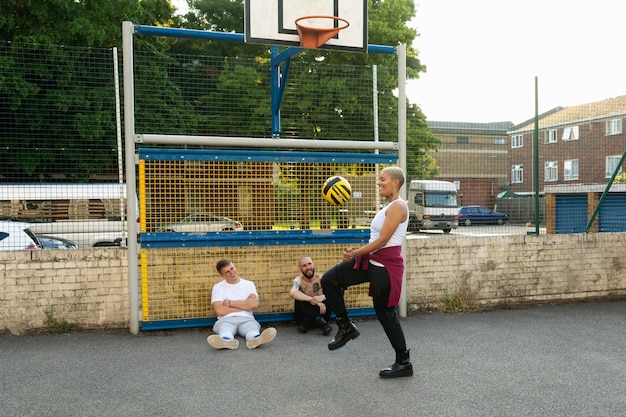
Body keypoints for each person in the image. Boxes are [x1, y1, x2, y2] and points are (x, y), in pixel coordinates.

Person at [321, 166, 413, 379]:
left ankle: (403, 362)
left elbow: (383, 241)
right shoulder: (388, 206)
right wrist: (360, 254)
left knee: (386, 315)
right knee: (330, 280)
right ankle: (345, 327)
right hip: (371, 262)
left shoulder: (399, 206)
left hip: (385, 267)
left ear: (396, 182)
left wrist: (355, 253)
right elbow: (377, 240)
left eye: (383, 179)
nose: (379, 182)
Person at [207, 258, 277, 350]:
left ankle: (255, 339)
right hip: (226, 319)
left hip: (246, 319)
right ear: (222, 276)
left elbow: (254, 305)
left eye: (232, 268)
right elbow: (219, 311)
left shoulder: (249, 284)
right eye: (227, 272)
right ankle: (226, 341)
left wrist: (230, 303)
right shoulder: (218, 287)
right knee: (225, 330)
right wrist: (245, 304)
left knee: (252, 329)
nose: (232, 272)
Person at [289, 256, 333, 336]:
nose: (308, 267)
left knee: (330, 293)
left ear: (314, 265)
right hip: (303, 319)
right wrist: (313, 300)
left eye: (309, 264)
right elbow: (293, 292)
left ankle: (313, 322)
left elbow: (337, 290)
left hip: (322, 314)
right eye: (304, 266)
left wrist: (322, 297)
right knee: (299, 297)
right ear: (300, 269)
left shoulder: (322, 278)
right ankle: (321, 323)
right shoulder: (298, 280)